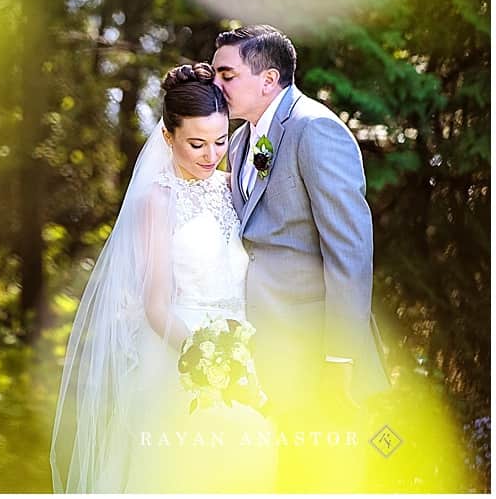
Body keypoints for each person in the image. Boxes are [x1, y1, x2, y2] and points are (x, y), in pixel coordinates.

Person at [50, 63, 276, 493]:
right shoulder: (157, 199)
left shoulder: (232, 187)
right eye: (196, 144)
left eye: (221, 141)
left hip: (244, 356)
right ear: (168, 137)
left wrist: (238, 361)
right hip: (179, 359)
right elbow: (155, 306)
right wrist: (205, 360)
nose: (211, 155)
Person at [212, 24, 391, 491]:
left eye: (227, 75)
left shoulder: (317, 130)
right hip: (263, 349)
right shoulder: (237, 141)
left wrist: (340, 359)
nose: (218, 86)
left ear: (268, 80)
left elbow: (349, 251)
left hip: (318, 354)